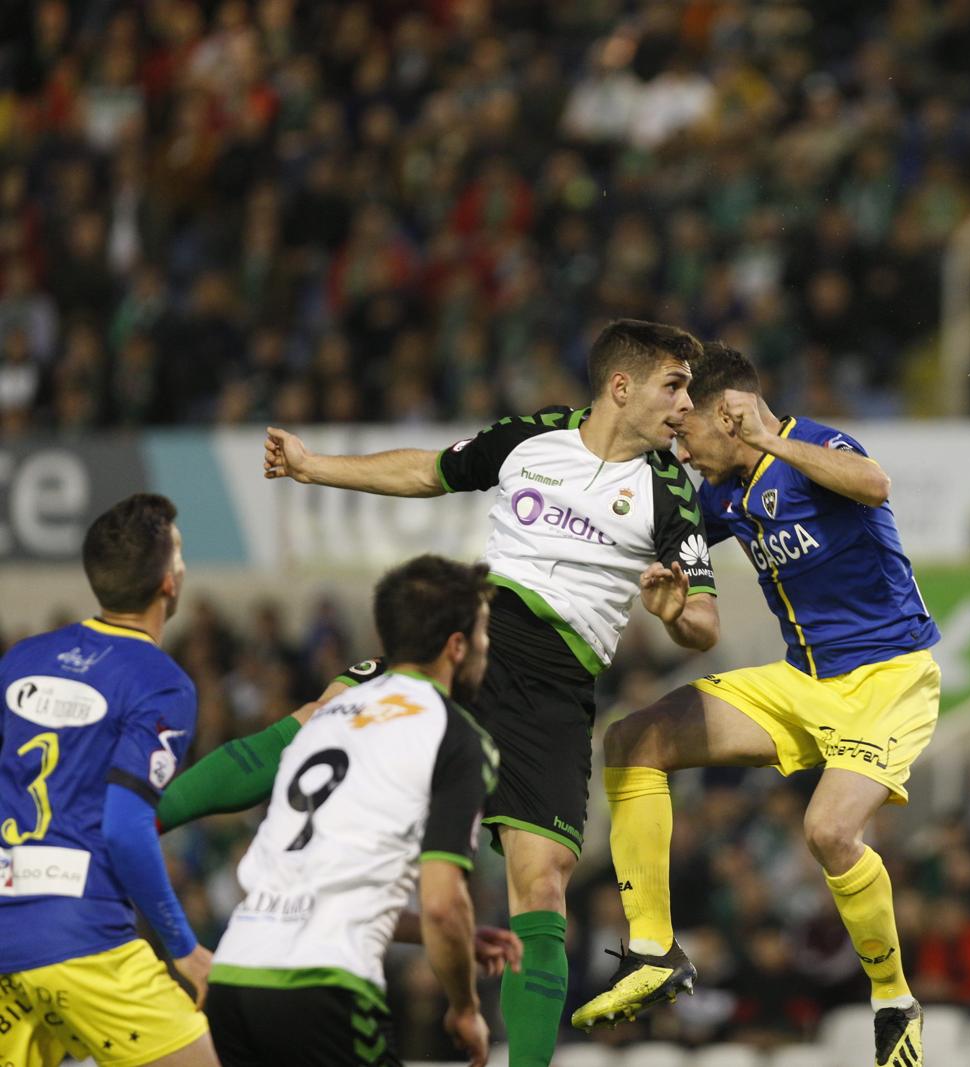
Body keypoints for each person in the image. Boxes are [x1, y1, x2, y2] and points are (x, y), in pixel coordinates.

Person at [261, 319, 718, 1066]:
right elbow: (428, 471)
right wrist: (314, 467)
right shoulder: (530, 437)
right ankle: (152, 812)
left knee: (541, 887)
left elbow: (705, 617)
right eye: (675, 384)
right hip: (475, 640)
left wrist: (677, 614)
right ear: (622, 386)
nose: (685, 403)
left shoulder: (671, 490)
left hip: (557, 688)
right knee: (321, 715)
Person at [570, 343, 940, 1067]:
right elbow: (653, 544)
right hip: (801, 682)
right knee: (631, 739)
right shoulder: (720, 494)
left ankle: (894, 1000)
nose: (682, 445)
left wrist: (772, 440)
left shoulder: (816, 446)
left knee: (830, 831)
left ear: (731, 414)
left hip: (889, 679)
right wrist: (669, 606)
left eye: (688, 430)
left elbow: (874, 483)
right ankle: (652, 949)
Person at [204, 555, 500, 1067]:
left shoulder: (325, 718)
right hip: (325, 986)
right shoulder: (454, 736)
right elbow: (440, 904)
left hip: (234, 976)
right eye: (483, 633)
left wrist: (458, 938)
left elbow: (313, 879)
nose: (486, 647)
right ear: (457, 646)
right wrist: (464, 1007)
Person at [0, 493, 218, 1067]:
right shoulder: (161, 683)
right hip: (86, 939)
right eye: (180, 554)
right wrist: (184, 948)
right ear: (169, 583)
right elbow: (125, 828)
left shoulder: (21, 659)